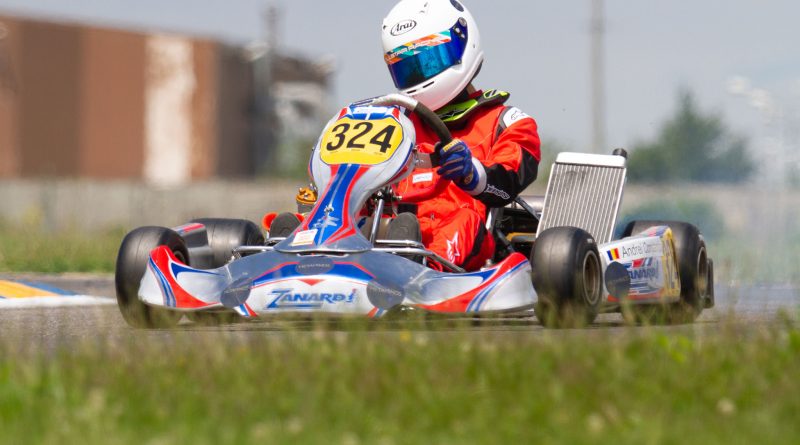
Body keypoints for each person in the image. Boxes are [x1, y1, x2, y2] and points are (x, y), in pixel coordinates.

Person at [382, 0, 541, 270]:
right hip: (397, 231)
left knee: (463, 219)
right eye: (409, 66)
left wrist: (473, 174)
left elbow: (507, 183)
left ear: (461, 43)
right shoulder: (397, 125)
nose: (421, 72)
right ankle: (298, 248)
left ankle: (423, 269)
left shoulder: (507, 122)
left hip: (466, 235)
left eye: (430, 60)